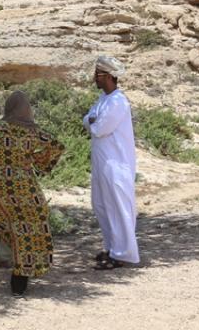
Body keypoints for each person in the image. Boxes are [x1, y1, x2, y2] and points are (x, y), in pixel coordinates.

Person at [0, 90, 65, 295]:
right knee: (26, 234)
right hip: (28, 193)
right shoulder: (33, 132)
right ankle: (19, 285)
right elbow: (56, 147)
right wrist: (38, 164)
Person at [84, 55, 140, 269]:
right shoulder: (102, 100)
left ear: (107, 76)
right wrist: (91, 122)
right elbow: (87, 120)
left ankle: (124, 253)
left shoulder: (117, 101)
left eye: (97, 74)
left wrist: (92, 122)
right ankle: (111, 247)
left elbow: (98, 128)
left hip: (116, 164)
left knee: (118, 207)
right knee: (101, 205)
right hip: (102, 163)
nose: (94, 78)